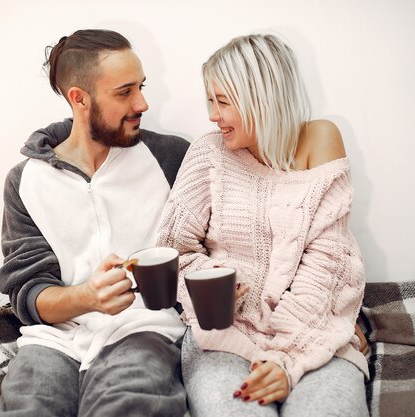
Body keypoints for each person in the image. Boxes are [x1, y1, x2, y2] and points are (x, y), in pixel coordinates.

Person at [156, 33, 369, 417]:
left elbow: (328, 262)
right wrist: (221, 282)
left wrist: (290, 359)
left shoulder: (320, 138)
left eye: (223, 102)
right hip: (223, 333)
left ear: (262, 99)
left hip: (312, 330)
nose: (212, 115)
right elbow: (174, 252)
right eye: (210, 100)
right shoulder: (208, 154)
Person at [0, 29, 190, 417]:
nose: (143, 103)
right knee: (28, 408)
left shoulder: (171, 158)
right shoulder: (26, 182)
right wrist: (86, 297)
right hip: (55, 339)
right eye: (124, 92)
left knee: (127, 405)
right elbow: (28, 291)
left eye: (142, 87)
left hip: (143, 328)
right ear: (79, 98)